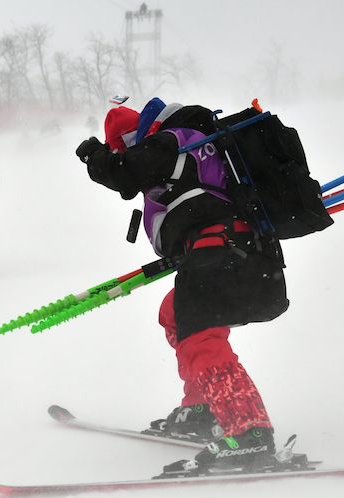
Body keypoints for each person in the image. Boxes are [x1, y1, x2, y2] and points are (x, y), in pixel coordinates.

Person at [75, 98, 290, 475]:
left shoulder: (175, 140)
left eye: (123, 146)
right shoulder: (192, 146)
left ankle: (250, 431)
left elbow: (123, 173)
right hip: (227, 254)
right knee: (174, 313)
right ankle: (204, 408)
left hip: (220, 254)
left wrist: (95, 155)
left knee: (199, 337)